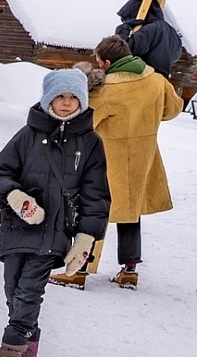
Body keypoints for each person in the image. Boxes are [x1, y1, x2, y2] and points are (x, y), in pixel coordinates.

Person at [0, 70, 109, 357]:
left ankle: (8, 352)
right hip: (17, 227)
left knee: (29, 292)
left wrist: (85, 238)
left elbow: (97, 194)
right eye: (60, 96)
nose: (66, 103)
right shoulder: (27, 135)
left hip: (55, 232)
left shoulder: (90, 143)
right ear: (48, 98)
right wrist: (15, 197)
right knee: (13, 290)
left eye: (73, 97)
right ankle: (30, 349)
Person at [51, 35, 183, 290]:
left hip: (110, 159)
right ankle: (130, 271)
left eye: (100, 62)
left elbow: (87, 121)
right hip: (145, 158)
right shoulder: (157, 80)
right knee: (130, 211)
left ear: (109, 62)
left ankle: (79, 271)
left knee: (95, 211)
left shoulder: (107, 89)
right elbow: (173, 110)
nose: (99, 66)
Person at [115, 0, 185, 79]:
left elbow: (125, 50)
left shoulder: (150, 29)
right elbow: (176, 55)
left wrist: (123, 29)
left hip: (144, 78)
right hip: (160, 81)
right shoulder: (172, 32)